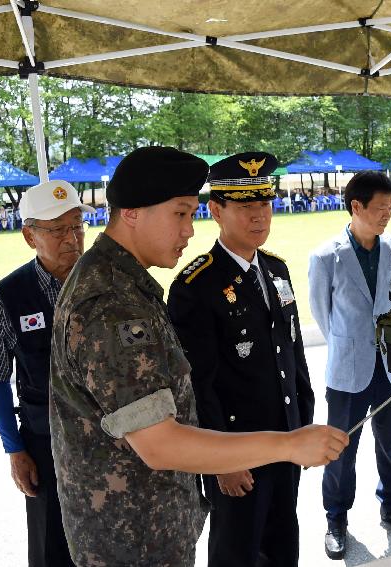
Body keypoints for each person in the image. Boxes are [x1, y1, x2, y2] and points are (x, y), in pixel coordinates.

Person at [49, 146, 348, 566]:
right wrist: (288, 444)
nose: (190, 231)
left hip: (149, 525)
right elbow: (159, 444)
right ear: (133, 212)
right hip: (132, 539)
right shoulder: (112, 304)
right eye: (181, 213)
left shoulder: (125, 285)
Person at [168, 152, 315, 567]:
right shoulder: (195, 285)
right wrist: (218, 462)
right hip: (236, 453)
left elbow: (293, 356)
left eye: (264, 204)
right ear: (216, 210)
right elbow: (197, 384)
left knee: (284, 542)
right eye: (246, 206)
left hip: (285, 440)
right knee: (238, 550)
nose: (259, 216)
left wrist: (301, 426)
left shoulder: (276, 270)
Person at [0, 179, 95, 567]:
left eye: (77, 226)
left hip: (109, 440)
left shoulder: (107, 283)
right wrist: (15, 450)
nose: (71, 238)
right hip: (45, 442)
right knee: (50, 546)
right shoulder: (9, 295)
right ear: (29, 236)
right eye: (57, 230)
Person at [309, 171, 391, 560]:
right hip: (348, 369)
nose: (387, 216)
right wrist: (352, 346)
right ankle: (336, 519)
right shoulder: (325, 256)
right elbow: (322, 315)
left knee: (389, 442)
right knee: (340, 448)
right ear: (355, 206)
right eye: (380, 208)